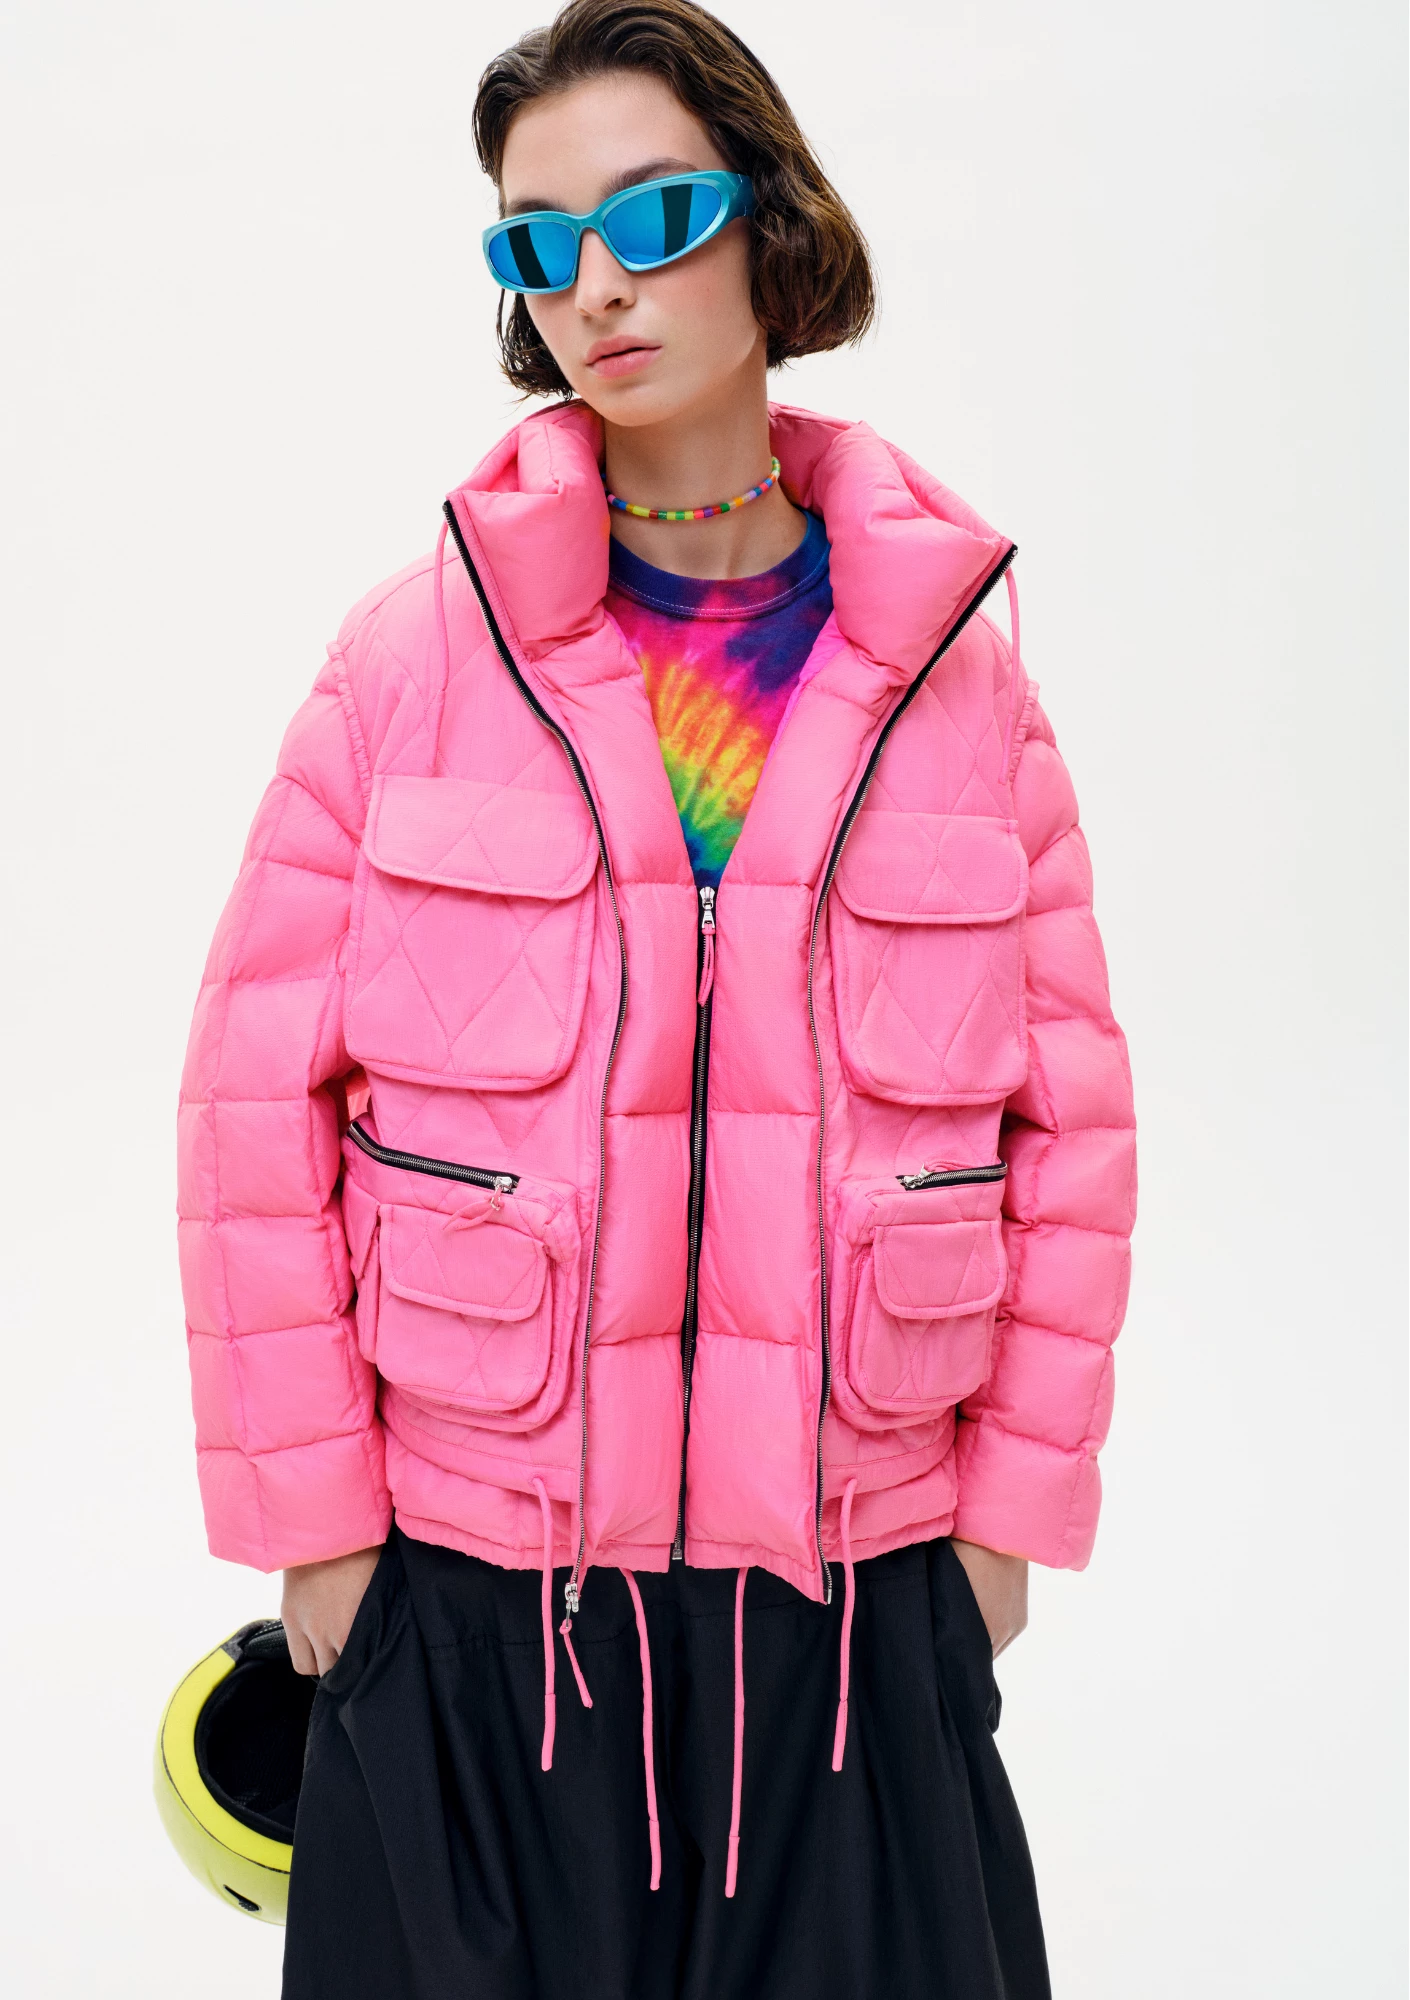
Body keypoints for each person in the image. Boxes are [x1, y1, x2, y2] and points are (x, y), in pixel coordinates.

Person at [176, 2, 1136, 1993]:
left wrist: (1005, 1520)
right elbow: (249, 1106)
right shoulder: (409, 665)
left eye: (652, 216)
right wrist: (320, 1519)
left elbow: (1075, 1125)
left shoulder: (958, 680)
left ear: (773, 221)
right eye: (538, 245)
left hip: (853, 1612)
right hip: (480, 1599)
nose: (595, 285)